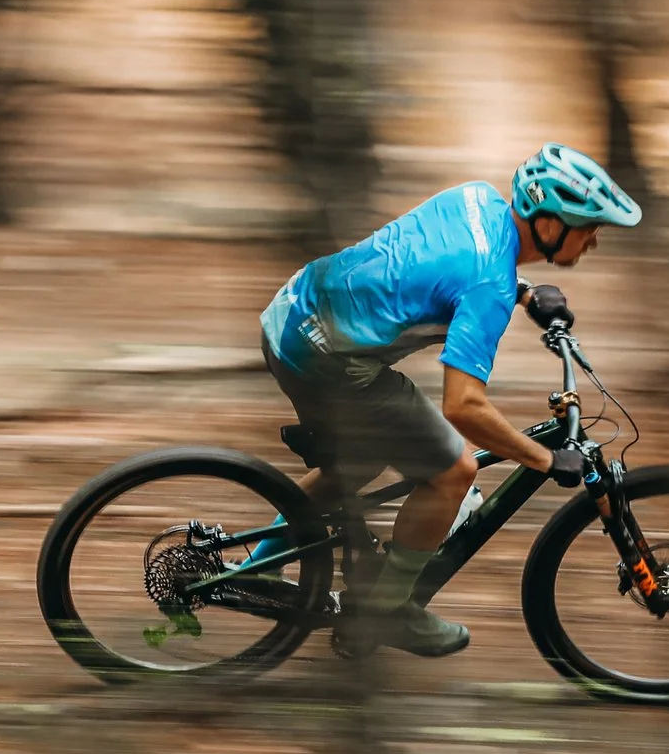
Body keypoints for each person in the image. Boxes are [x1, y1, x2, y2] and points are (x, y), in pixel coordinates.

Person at [259, 143, 641, 657]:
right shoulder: (488, 288)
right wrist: (545, 460)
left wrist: (525, 292)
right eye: (588, 226)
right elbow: (463, 407)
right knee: (455, 471)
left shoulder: (476, 199)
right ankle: (385, 612)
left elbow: (439, 260)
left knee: (358, 462)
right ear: (549, 224)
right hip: (325, 359)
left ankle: (256, 569)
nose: (594, 239)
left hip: (290, 314)